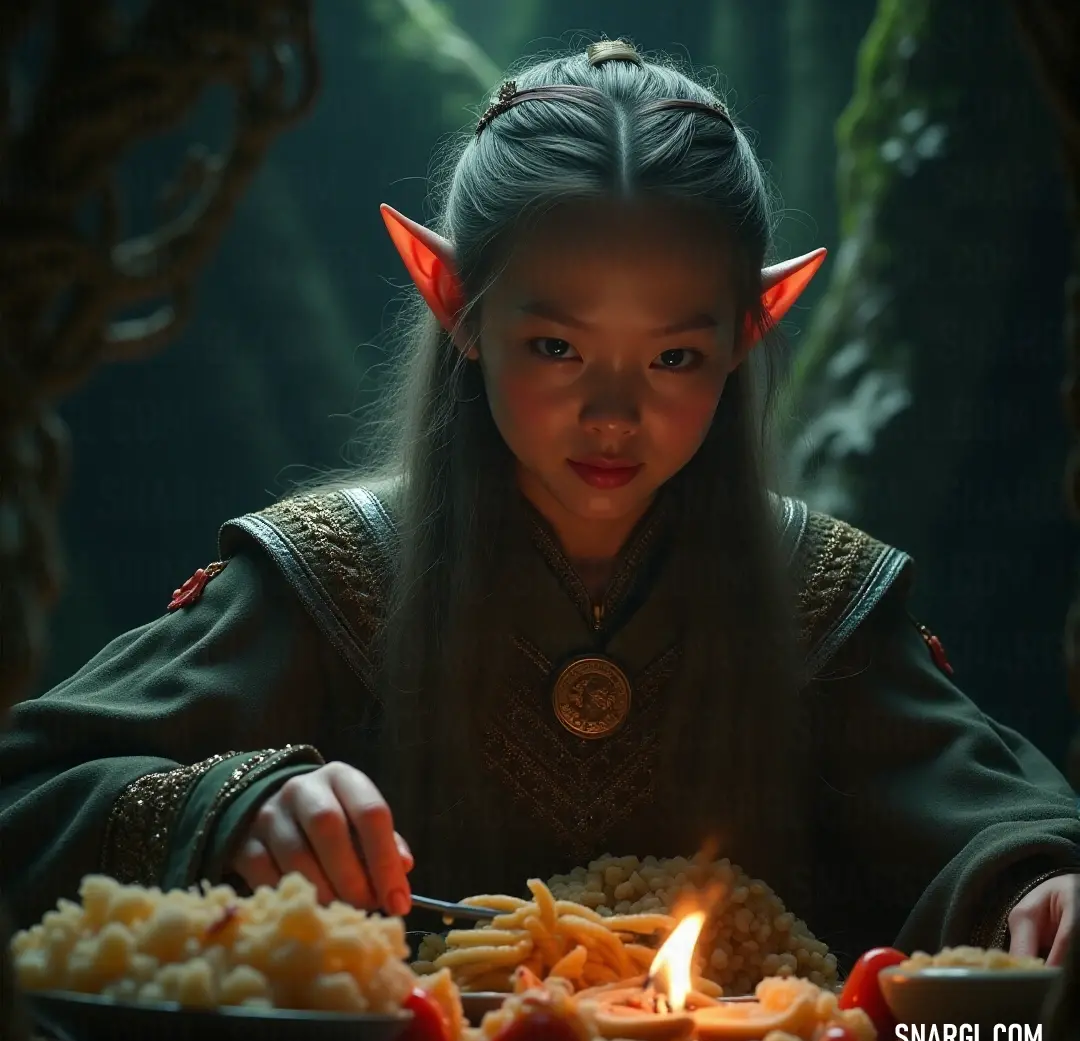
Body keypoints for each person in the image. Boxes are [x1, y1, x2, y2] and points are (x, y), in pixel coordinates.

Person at [1, 40, 1077, 972]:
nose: (613, 414)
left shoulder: (818, 599)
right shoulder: (336, 575)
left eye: (674, 355)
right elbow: (31, 792)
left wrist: (1038, 888)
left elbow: (998, 827)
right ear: (455, 300)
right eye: (556, 347)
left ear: (754, 330)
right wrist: (231, 802)